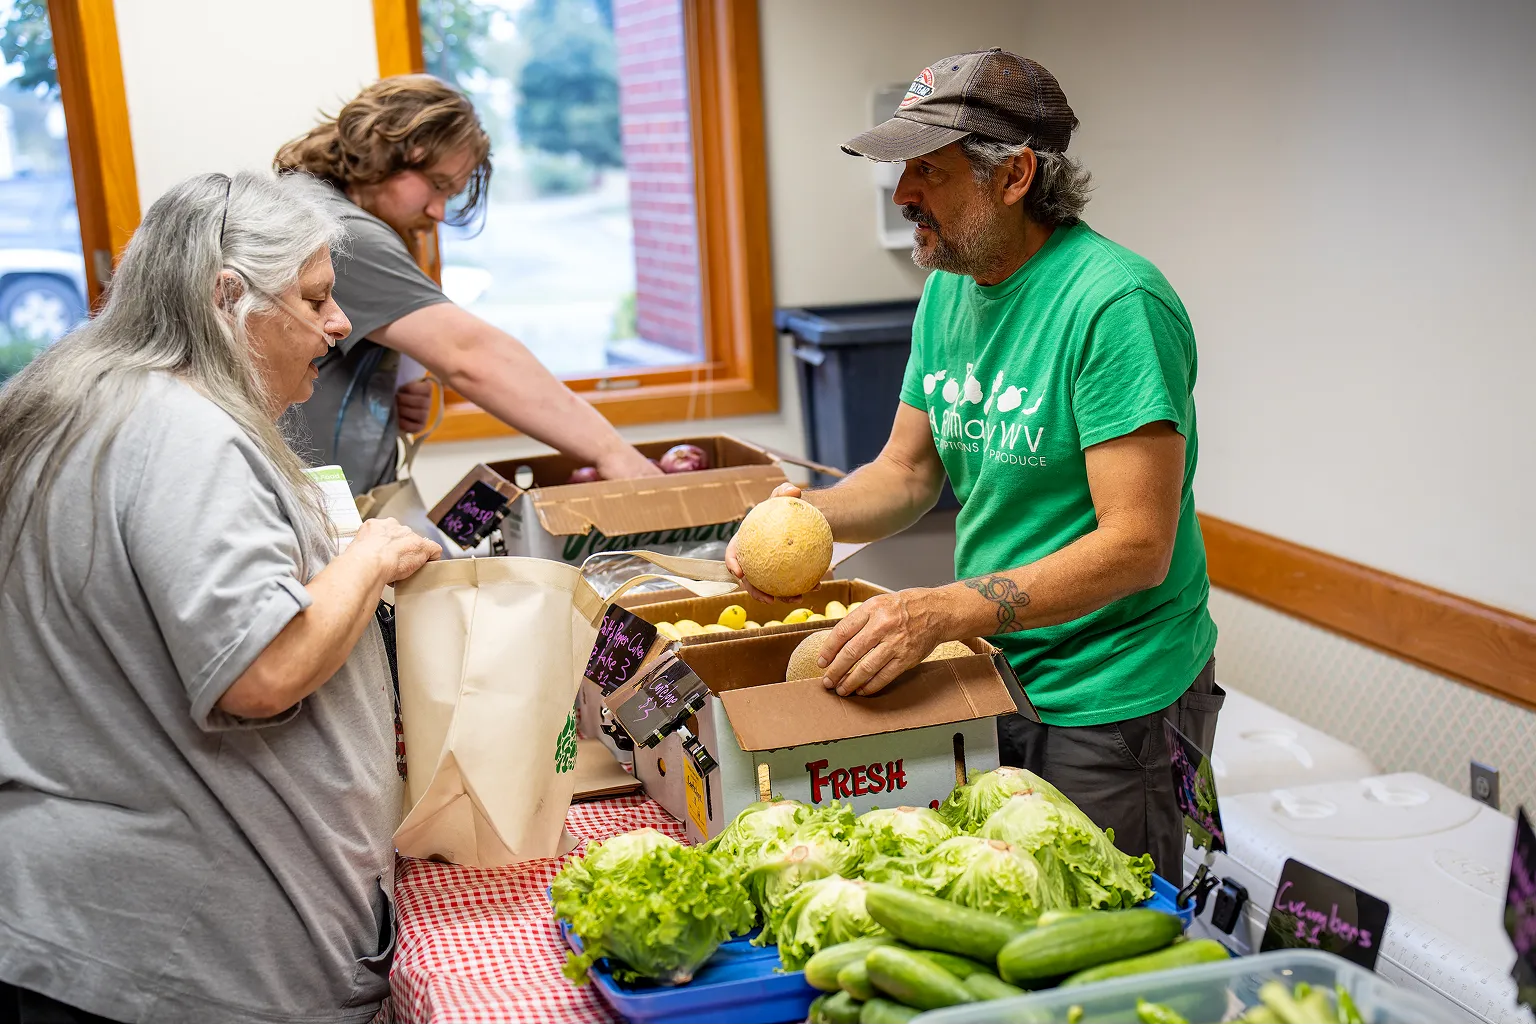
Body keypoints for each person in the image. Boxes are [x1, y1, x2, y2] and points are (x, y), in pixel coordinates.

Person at [726, 50, 1222, 882]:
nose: (903, 195)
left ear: (1016, 174)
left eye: (928, 170)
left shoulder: (1114, 304)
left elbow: (1140, 546)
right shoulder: (950, 288)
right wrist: (805, 514)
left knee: (1102, 937)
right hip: (996, 667)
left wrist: (945, 611)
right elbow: (908, 474)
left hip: (1113, 694)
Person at [0, 170, 441, 1023]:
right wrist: (370, 556)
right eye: (315, 298)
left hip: (89, 922)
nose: (340, 324)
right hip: (173, 950)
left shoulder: (71, 391)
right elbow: (262, 670)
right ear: (226, 297)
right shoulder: (184, 431)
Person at [274, 74, 659, 496]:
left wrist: (379, 397)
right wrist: (614, 454)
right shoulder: (344, 233)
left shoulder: (306, 203)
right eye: (437, 185)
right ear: (387, 151)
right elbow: (470, 355)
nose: (438, 212)